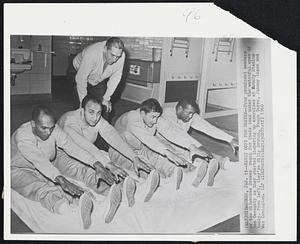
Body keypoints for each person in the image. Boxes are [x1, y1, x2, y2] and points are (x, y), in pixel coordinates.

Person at [11, 105, 119, 229]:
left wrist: (96, 164)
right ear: (33, 124)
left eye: (51, 128)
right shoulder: (23, 135)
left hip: (48, 161)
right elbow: (38, 160)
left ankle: (104, 198)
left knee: (77, 172)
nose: (48, 132)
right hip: (17, 169)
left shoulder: (53, 129)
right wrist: (62, 180)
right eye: (44, 128)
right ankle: (72, 213)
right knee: (43, 188)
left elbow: (72, 147)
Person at [57, 94, 160, 205]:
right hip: (62, 155)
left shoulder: (96, 118)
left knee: (113, 164)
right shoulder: (70, 121)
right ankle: (114, 193)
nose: (95, 117)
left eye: (98, 113)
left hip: (88, 152)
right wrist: (107, 164)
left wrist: (134, 158)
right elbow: (85, 146)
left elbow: (114, 138)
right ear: (82, 110)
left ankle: (134, 186)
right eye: (91, 112)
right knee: (91, 172)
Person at [109, 98, 212, 191]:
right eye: (153, 117)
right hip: (120, 152)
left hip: (140, 146)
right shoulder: (131, 117)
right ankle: (162, 182)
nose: (155, 121)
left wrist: (192, 147)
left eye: (156, 118)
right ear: (142, 113)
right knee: (145, 166)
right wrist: (167, 152)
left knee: (162, 155)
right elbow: (148, 138)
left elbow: (170, 131)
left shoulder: (153, 116)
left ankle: (186, 173)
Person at [162, 98, 239, 186]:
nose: (191, 116)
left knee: (203, 152)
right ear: (179, 109)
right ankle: (195, 171)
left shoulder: (188, 113)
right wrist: (195, 147)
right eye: (189, 113)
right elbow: (178, 135)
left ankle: (225, 164)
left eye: (192, 113)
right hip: (165, 145)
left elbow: (207, 127)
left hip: (184, 143)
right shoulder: (166, 115)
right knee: (185, 156)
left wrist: (230, 139)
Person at [72, 37, 125, 115]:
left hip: (97, 78)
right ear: (105, 49)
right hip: (77, 72)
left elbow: (116, 78)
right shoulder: (91, 53)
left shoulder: (121, 56)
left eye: (118, 57)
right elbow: (81, 79)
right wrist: (83, 103)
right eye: (112, 55)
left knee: (104, 106)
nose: (115, 60)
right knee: (81, 108)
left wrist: (106, 98)